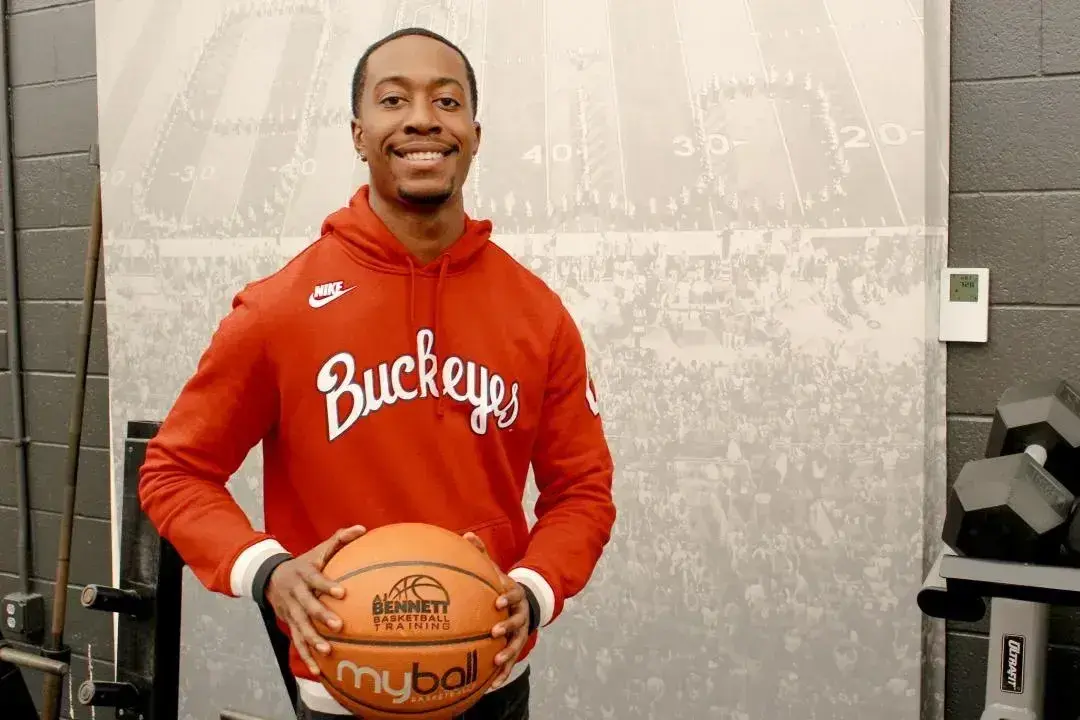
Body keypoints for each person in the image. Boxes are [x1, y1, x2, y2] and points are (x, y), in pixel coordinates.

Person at [137, 26, 617, 720]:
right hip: (342, 684)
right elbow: (174, 472)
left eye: (446, 101)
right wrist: (266, 570)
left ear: (475, 134)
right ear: (359, 134)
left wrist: (536, 586)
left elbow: (583, 491)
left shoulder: (536, 312)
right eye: (395, 99)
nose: (423, 117)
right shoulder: (280, 308)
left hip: (493, 680)